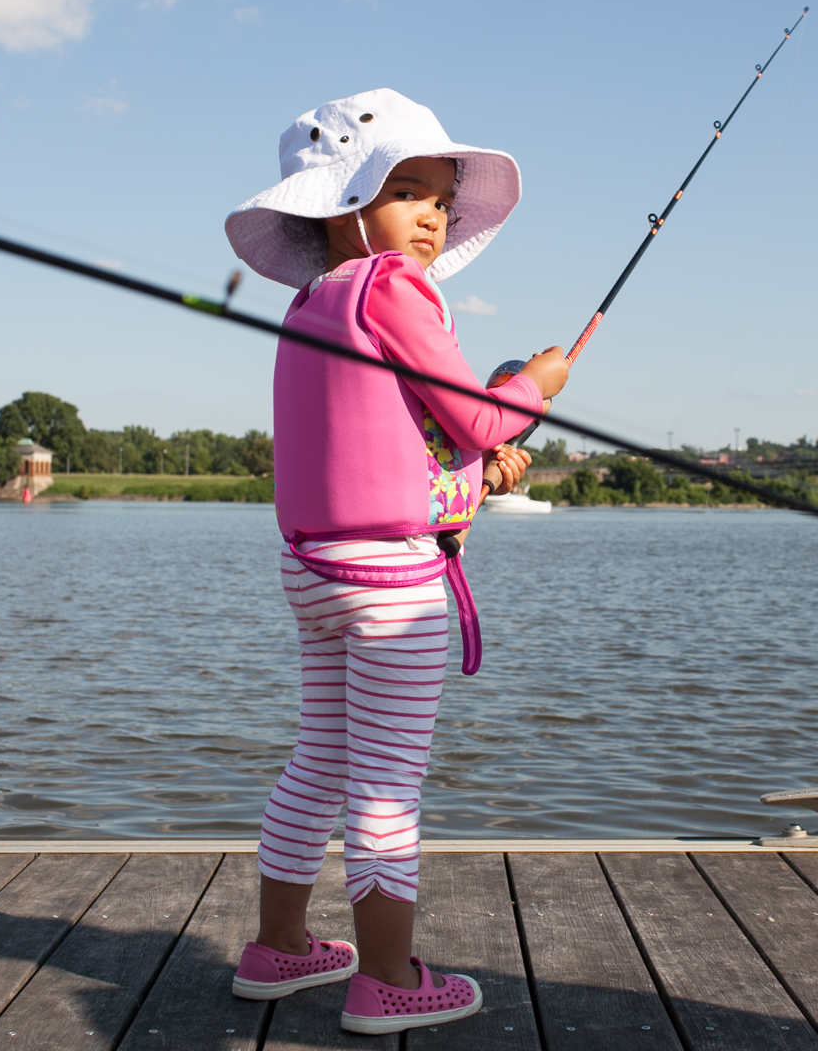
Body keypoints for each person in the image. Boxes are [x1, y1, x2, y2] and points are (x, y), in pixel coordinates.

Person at [223, 88, 569, 1035]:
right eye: (407, 190)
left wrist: (474, 471)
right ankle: (387, 977)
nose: (432, 215)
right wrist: (532, 386)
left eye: (441, 200)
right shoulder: (393, 287)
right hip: (392, 586)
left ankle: (279, 947)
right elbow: (481, 414)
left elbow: (403, 437)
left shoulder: (312, 303)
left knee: (320, 762)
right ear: (341, 206)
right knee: (386, 785)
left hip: (317, 573)